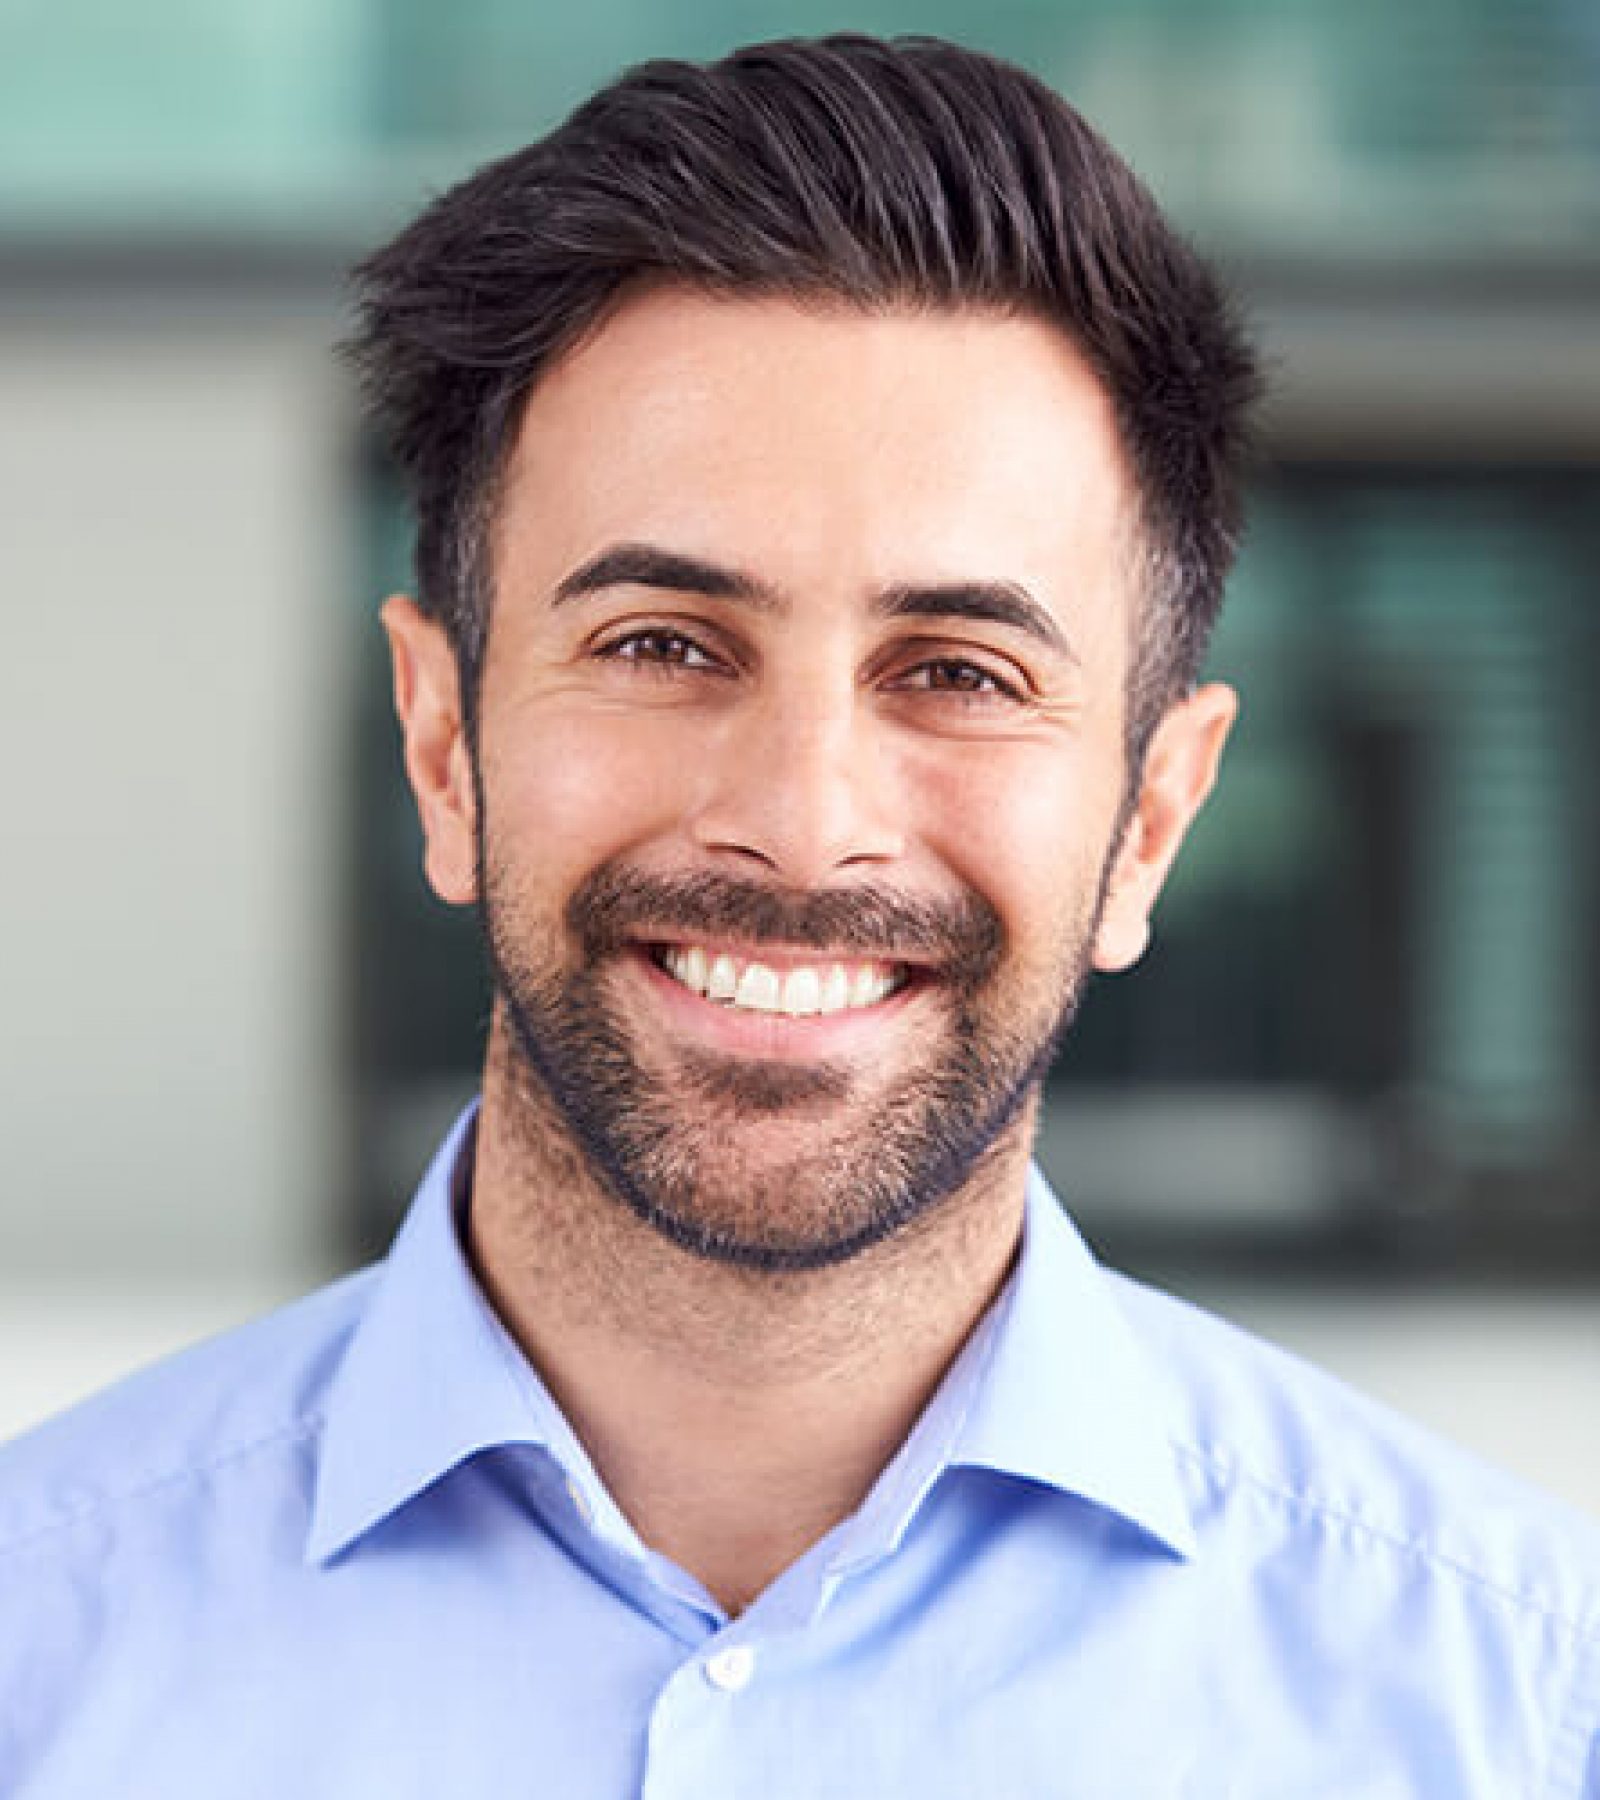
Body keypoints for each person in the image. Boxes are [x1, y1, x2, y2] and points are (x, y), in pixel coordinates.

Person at [2, 33, 1596, 1798]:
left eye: (959, 671)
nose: (801, 820)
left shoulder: (1515, 1707)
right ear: (444, 743)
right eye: (664, 646)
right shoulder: (38, 1649)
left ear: (1152, 818)